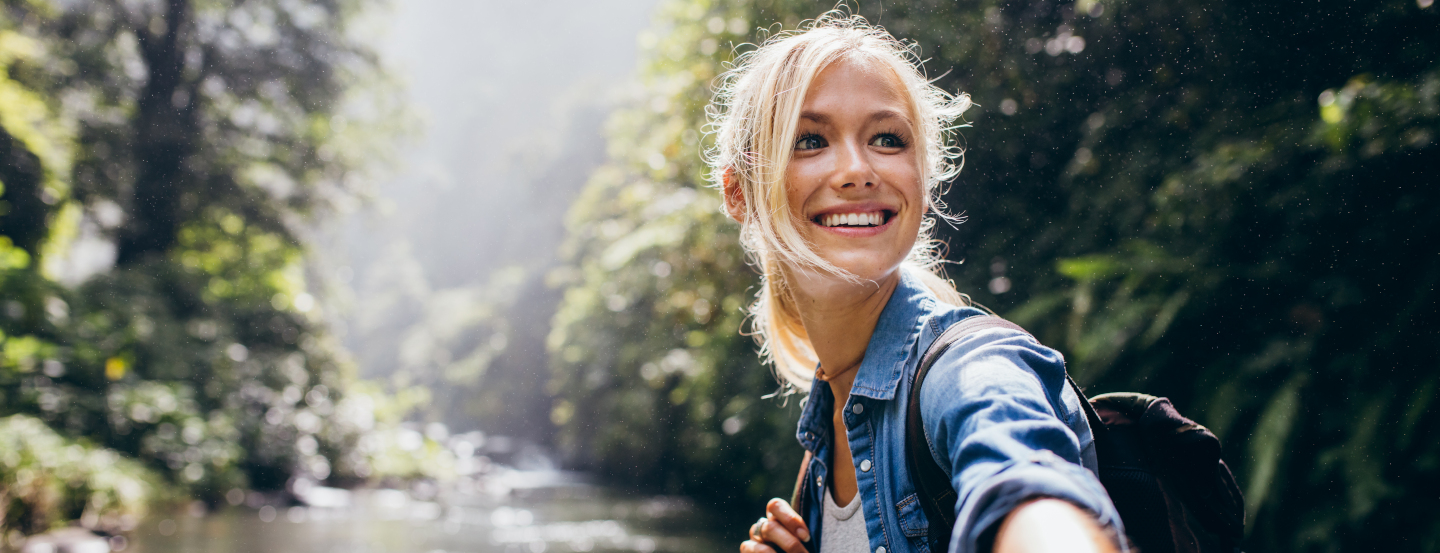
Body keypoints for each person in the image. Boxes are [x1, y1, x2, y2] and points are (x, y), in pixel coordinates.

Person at [705, 11, 1126, 553]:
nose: (858, 170)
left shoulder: (972, 365)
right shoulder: (825, 427)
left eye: (886, 138)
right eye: (809, 141)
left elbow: (1023, 481)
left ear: (923, 181)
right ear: (740, 194)